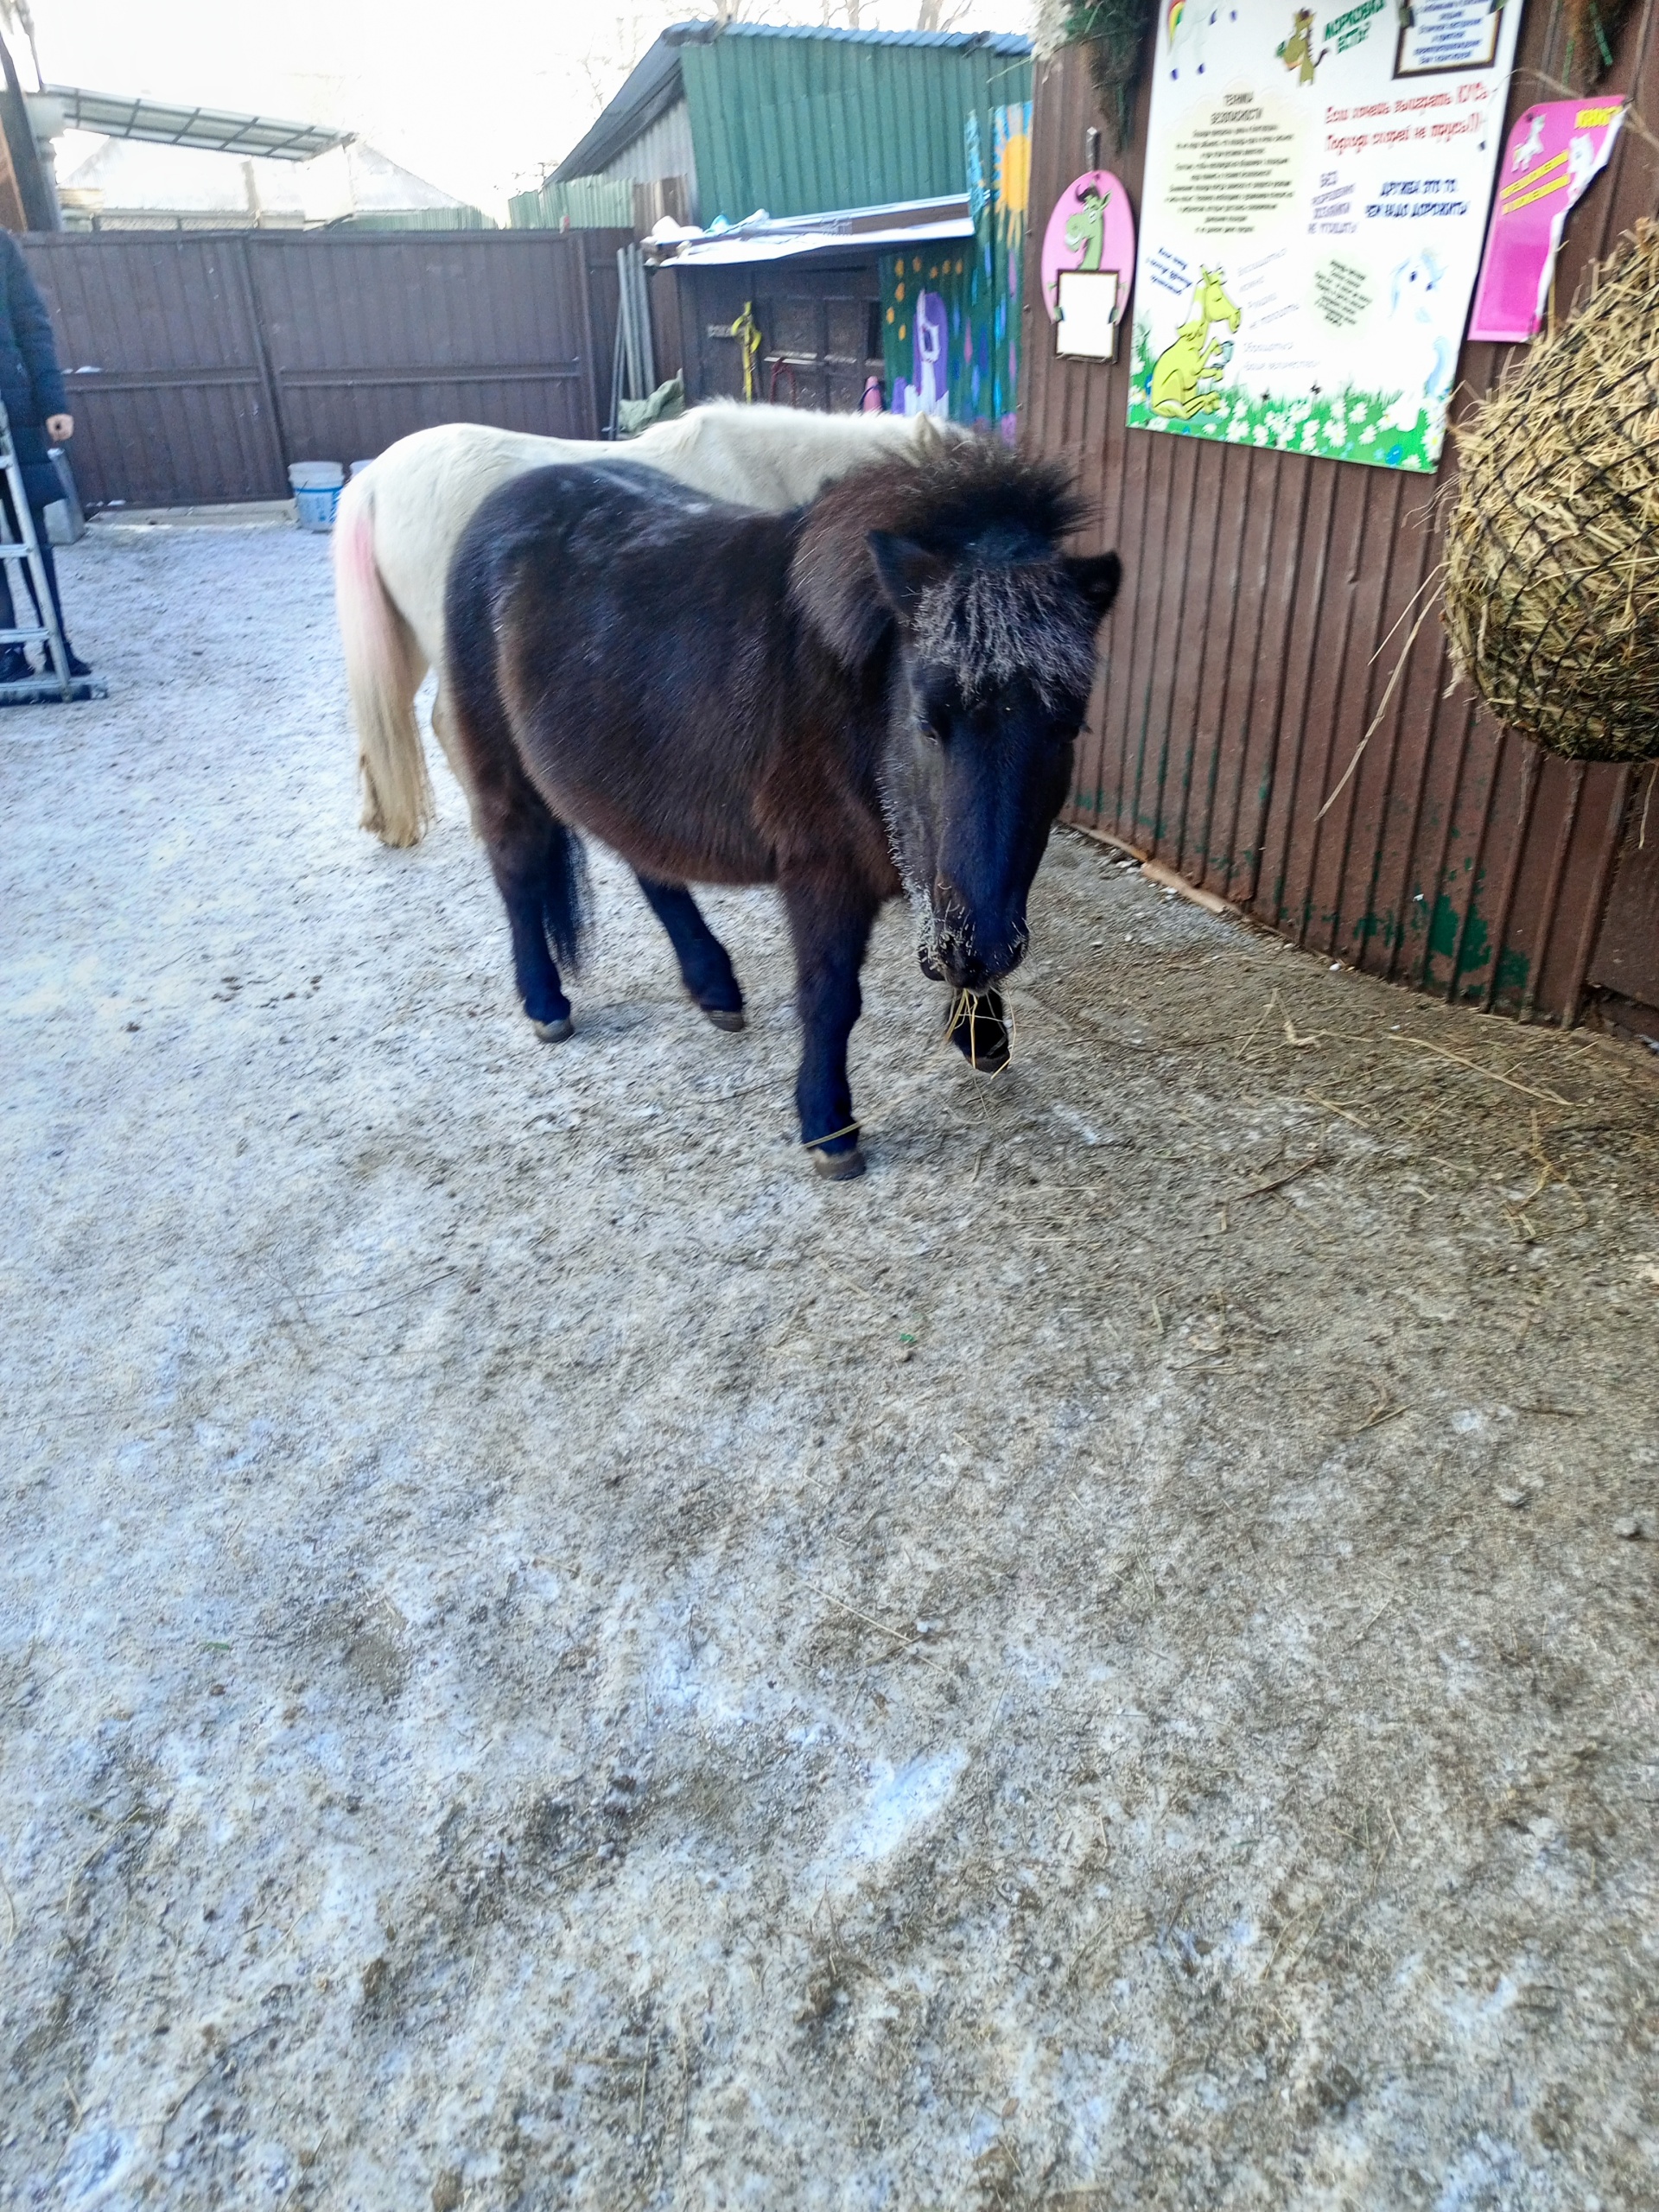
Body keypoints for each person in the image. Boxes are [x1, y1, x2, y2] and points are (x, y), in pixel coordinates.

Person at [0, 229, 89, 680]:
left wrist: (53, 402)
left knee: (32, 536)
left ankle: (57, 644)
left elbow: (31, 324)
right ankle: (6, 653)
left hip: (12, 414)